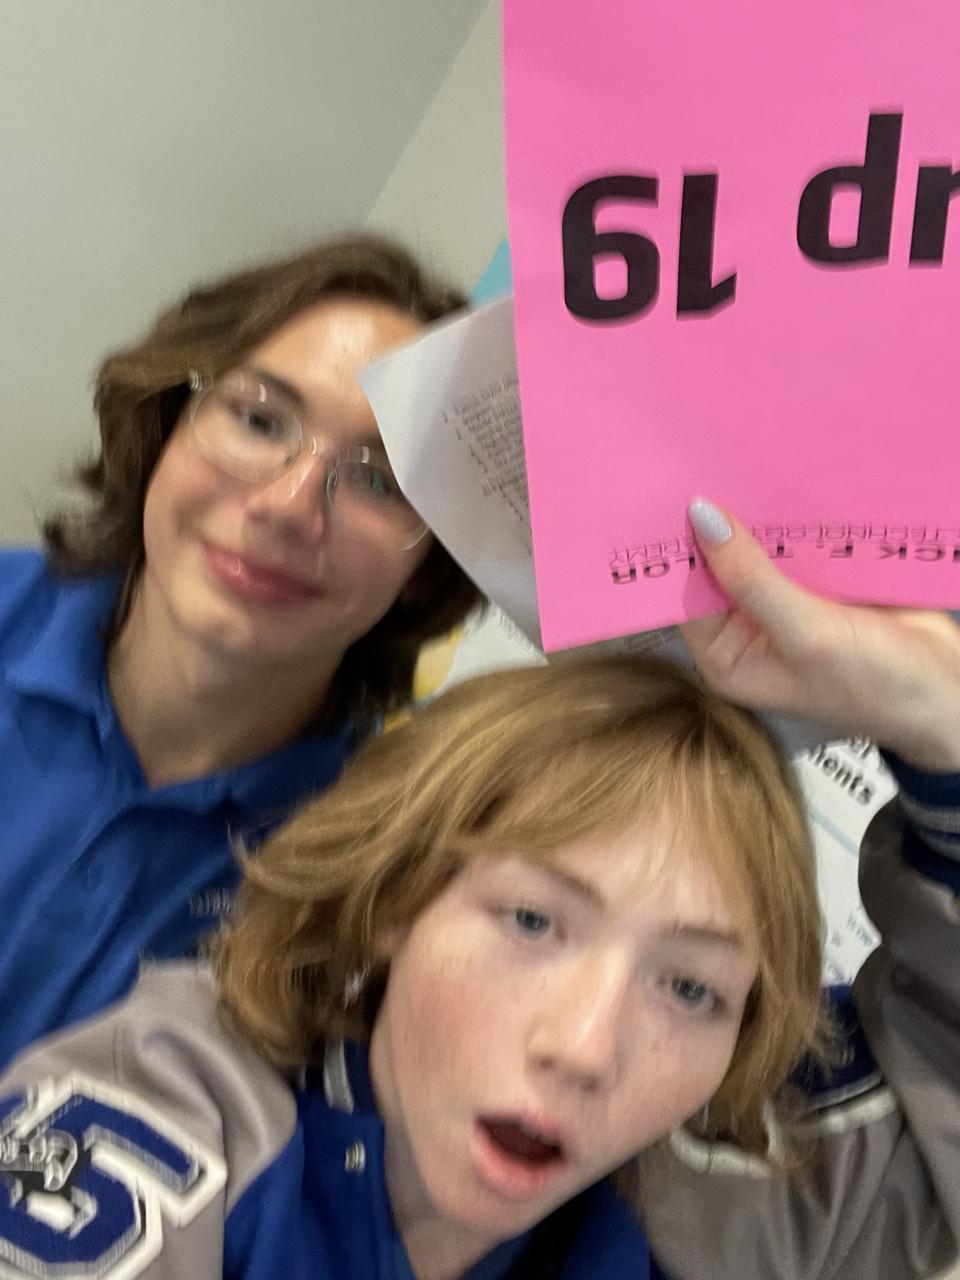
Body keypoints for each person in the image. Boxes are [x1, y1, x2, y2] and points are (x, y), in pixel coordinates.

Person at [1, 506, 958, 1280]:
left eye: (690, 988)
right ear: (392, 901)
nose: (585, 1048)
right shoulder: (160, 1131)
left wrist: (941, 733)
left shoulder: (715, 1193)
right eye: (533, 922)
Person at [0, 233, 483, 1068]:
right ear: (165, 421)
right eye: (260, 420)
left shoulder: (366, 874)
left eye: (380, 481)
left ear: (428, 566)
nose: (290, 506)